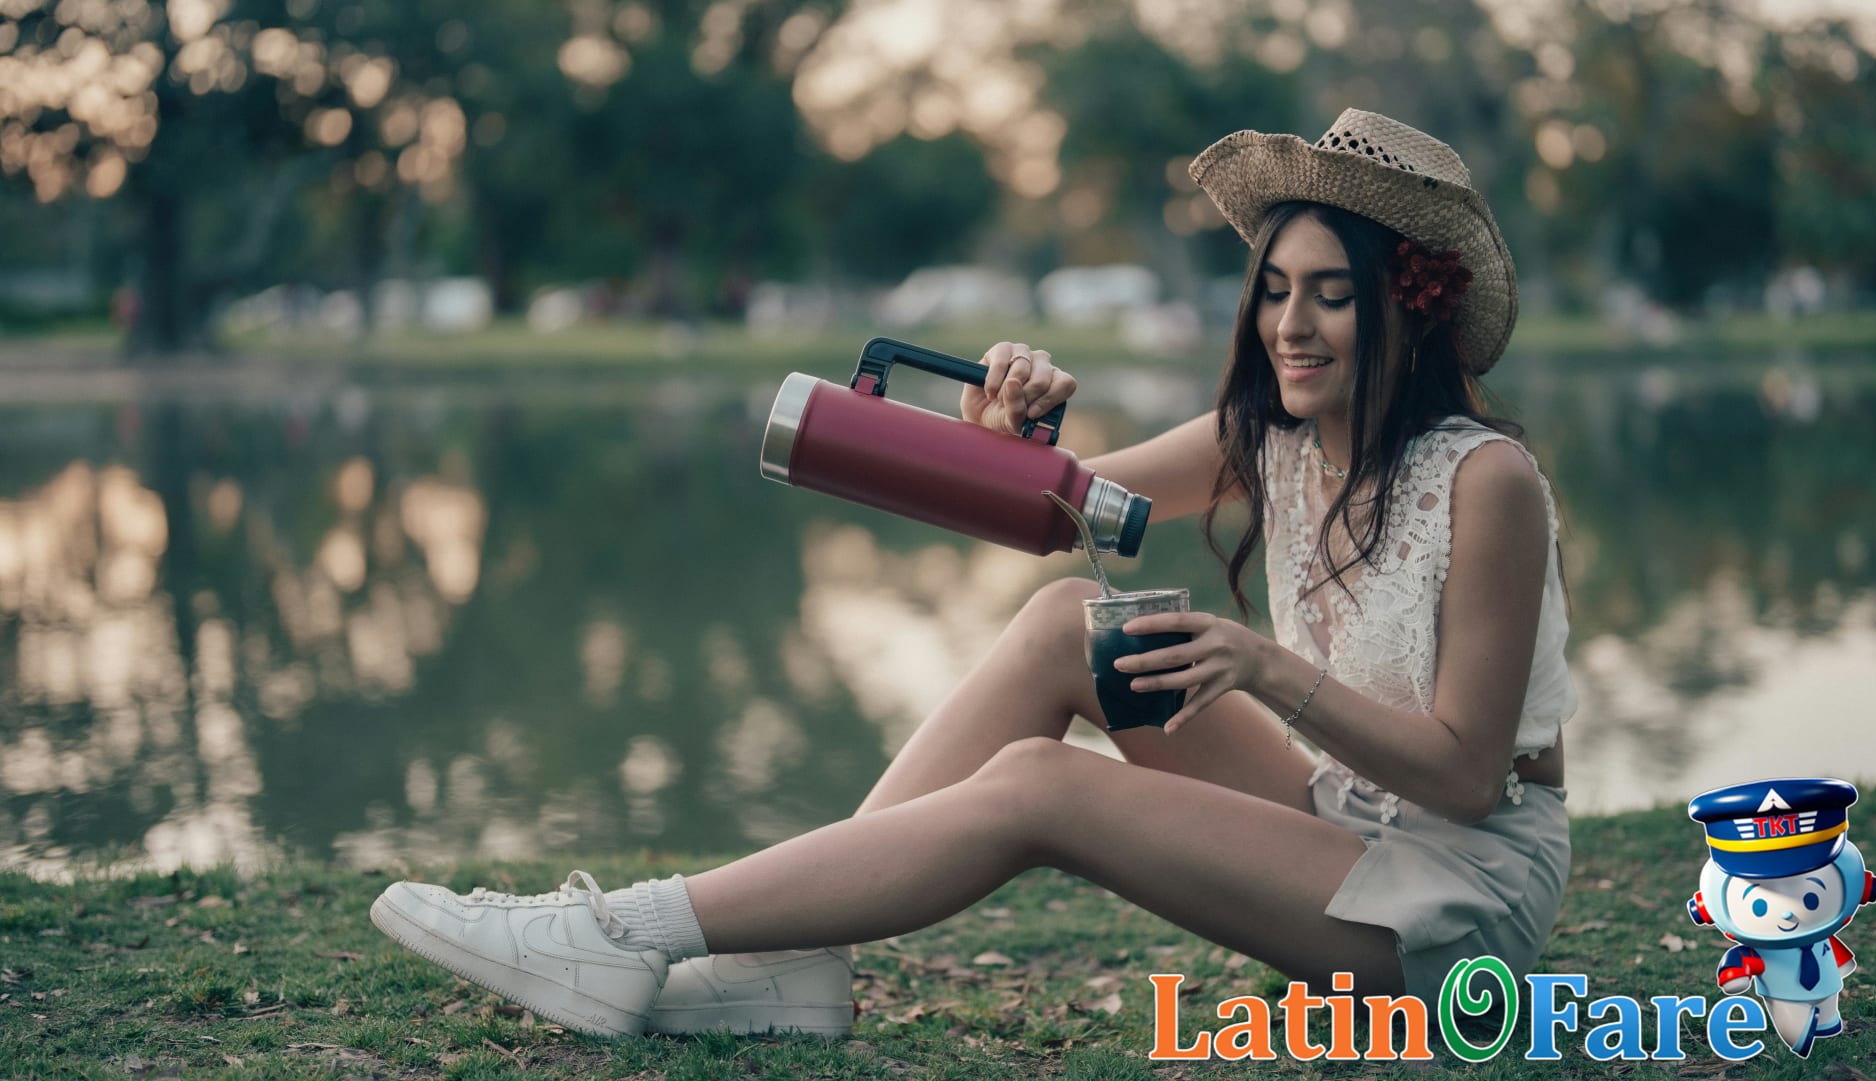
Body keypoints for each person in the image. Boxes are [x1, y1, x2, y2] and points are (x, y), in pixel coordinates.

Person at [368, 108, 1577, 1040]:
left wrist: (1262, 665)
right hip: (1347, 827)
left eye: (1334, 297)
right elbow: (1065, 508)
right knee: (1069, 627)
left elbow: (1472, 779)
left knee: (1043, 787)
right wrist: (998, 430)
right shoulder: (1269, 441)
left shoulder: (1486, 482)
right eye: (1275, 292)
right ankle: (795, 962)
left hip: (1453, 904)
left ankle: (623, 929)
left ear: (1410, 311)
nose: (1291, 327)